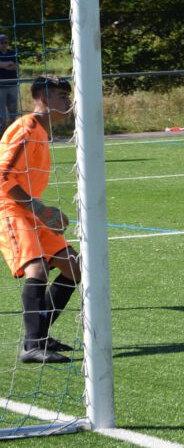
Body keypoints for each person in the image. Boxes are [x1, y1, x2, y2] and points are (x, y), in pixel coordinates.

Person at [0, 76, 79, 363]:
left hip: (29, 210)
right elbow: (3, 176)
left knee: (74, 268)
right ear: (43, 98)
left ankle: (40, 334)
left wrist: (40, 212)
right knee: (37, 272)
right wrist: (43, 211)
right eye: (62, 96)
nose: (68, 102)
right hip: (10, 209)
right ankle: (33, 345)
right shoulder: (25, 130)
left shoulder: (41, 132)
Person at [0, 35, 19, 134]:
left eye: (5, 42)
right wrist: (8, 63)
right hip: (1, 87)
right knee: (1, 115)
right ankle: (2, 135)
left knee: (13, 112)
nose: (4, 45)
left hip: (12, 85)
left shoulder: (12, 53)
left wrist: (4, 65)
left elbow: (15, 66)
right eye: (1, 43)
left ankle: (12, 133)